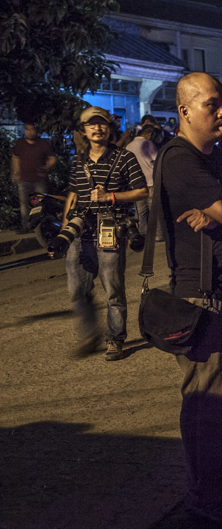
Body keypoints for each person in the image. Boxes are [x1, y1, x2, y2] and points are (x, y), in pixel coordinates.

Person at [154, 72, 222, 525]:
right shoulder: (180, 160)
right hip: (203, 296)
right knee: (207, 404)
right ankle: (207, 498)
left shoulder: (215, 157)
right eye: (211, 105)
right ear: (184, 110)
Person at [62, 107, 148, 360]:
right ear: (84, 130)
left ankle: (115, 338)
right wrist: (64, 231)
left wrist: (110, 196)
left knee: (112, 287)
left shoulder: (124, 157)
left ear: (110, 129)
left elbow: (143, 191)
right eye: (91, 125)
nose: (97, 128)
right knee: (77, 290)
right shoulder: (78, 160)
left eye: (102, 124)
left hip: (110, 227)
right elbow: (73, 194)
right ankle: (91, 335)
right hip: (81, 229)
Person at [12, 122, 56, 233]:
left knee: (40, 205)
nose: (30, 132)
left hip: (39, 180)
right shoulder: (20, 143)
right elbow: (16, 158)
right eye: (28, 129)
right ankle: (26, 226)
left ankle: (38, 227)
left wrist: (46, 167)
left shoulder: (43, 144)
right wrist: (15, 172)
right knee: (24, 203)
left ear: (36, 131)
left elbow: (52, 158)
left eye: (32, 129)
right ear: (25, 130)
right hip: (24, 178)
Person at [125, 125, 160, 240]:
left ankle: (142, 234)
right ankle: (158, 235)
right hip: (151, 181)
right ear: (149, 134)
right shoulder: (148, 144)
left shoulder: (129, 146)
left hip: (136, 184)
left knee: (140, 212)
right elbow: (156, 160)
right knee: (155, 210)